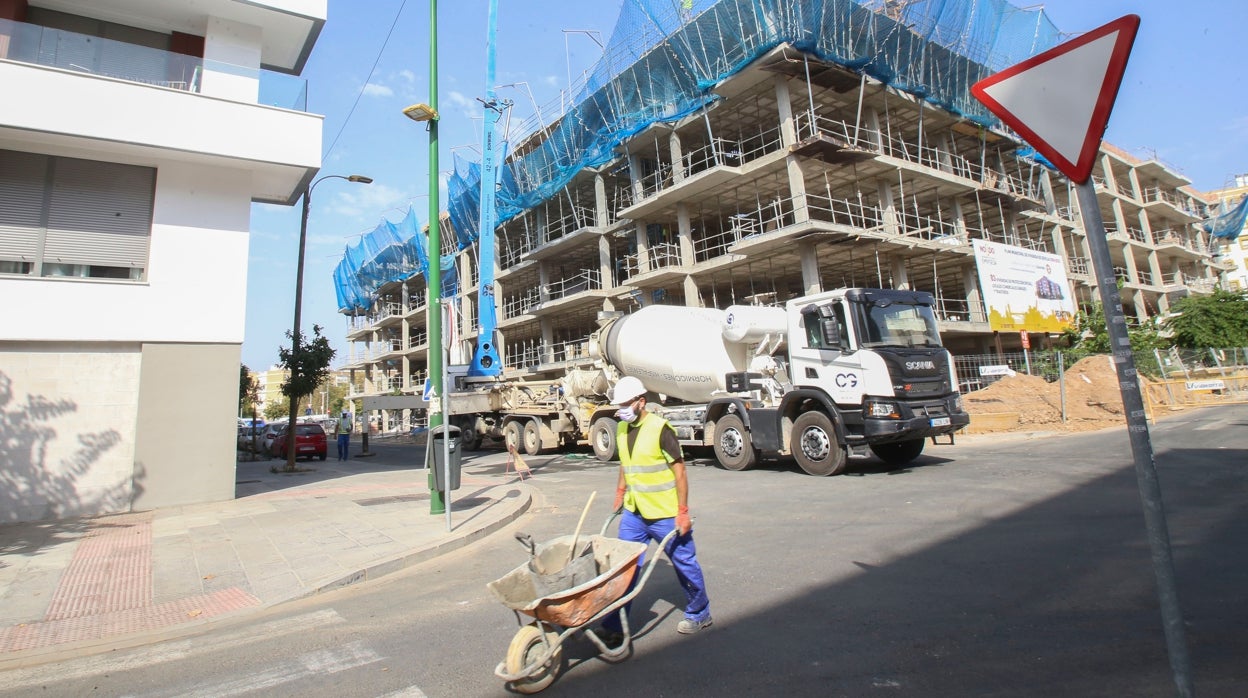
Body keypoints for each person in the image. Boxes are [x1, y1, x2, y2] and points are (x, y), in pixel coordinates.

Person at [598, 375, 712, 645]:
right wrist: (620, 492)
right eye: (619, 405)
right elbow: (626, 464)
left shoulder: (661, 429)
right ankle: (616, 624)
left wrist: (682, 511)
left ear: (640, 402)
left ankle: (700, 613)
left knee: (685, 563)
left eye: (625, 404)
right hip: (634, 514)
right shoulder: (622, 429)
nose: (621, 410)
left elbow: (680, 471)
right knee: (624, 568)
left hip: (664, 514)